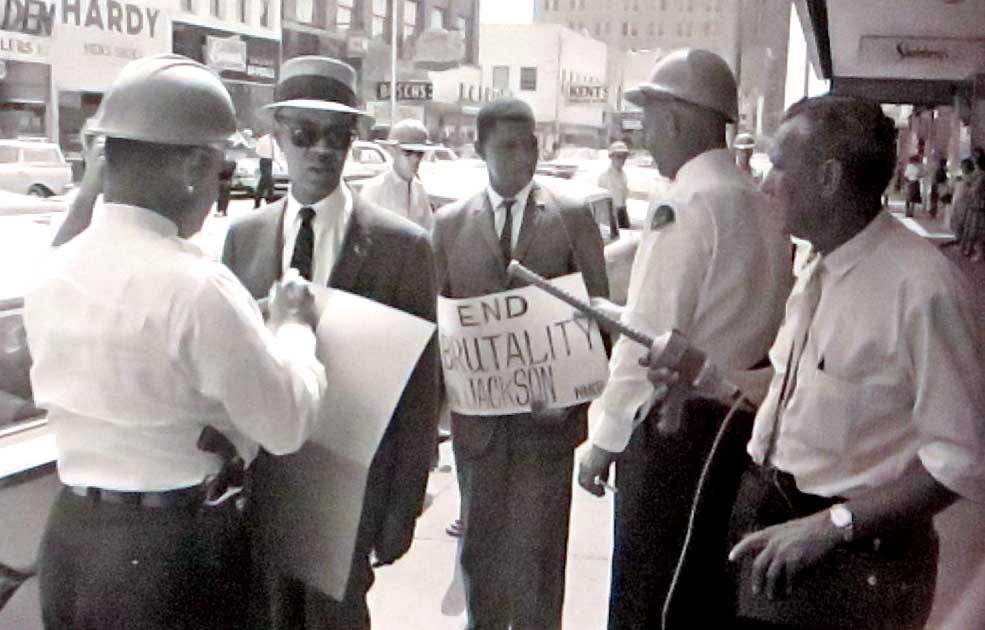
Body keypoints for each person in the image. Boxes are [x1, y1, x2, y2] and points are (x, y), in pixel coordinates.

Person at [24, 54, 328, 630]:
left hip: (72, 544)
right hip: (172, 556)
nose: (220, 188)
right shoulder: (195, 286)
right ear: (192, 164)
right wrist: (293, 327)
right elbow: (286, 423)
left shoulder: (54, 271)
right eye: (219, 171)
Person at [715, 95, 985, 629]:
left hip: (858, 562)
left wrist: (829, 526)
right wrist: (703, 378)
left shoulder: (922, 290)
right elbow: (795, 392)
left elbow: (961, 459)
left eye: (779, 165)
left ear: (828, 177)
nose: (765, 181)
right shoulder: (819, 263)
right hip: (778, 527)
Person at [576, 48, 791, 630]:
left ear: (675, 117)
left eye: (649, 117)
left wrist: (605, 438)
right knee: (703, 595)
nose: (645, 134)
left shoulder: (686, 201)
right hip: (739, 423)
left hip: (676, 427)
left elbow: (649, 337)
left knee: (647, 594)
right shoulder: (763, 201)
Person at [221, 55, 439, 630]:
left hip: (351, 496)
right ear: (278, 138)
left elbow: (419, 394)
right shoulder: (244, 239)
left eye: (337, 137)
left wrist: (403, 508)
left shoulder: (403, 248)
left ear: (354, 142)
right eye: (304, 134)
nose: (320, 150)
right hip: (262, 489)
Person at [431, 97, 609, 630]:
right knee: (480, 561)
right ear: (479, 149)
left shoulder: (571, 217)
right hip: (478, 431)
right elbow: (438, 327)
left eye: (529, 144)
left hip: (545, 429)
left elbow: (598, 319)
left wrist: (573, 395)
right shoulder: (448, 225)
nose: (522, 156)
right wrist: (438, 417)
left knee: (538, 565)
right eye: (507, 146)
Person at [360, 118, 437, 231]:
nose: (415, 159)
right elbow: (363, 232)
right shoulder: (375, 189)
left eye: (420, 153)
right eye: (408, 152)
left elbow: (429, 231)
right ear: (392, 151)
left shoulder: (419, 189)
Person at [597, 140, 631, 228]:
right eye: (619, 157)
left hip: (622, 213)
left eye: (624, 157)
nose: (622, 160)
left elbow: (623, 197)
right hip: (610, 215)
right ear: (611, 157)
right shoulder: (604, 177)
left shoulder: (624, 175)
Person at [254, 131, 278, 208]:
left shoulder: (273, 141)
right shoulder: (263, 139)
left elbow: (275, 153)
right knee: (269, 181)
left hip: (269, 161)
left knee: (264, 181)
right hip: (264, 160)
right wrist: (264, 155)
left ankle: (258, 201)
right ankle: (269, 200)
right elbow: (257, 151)